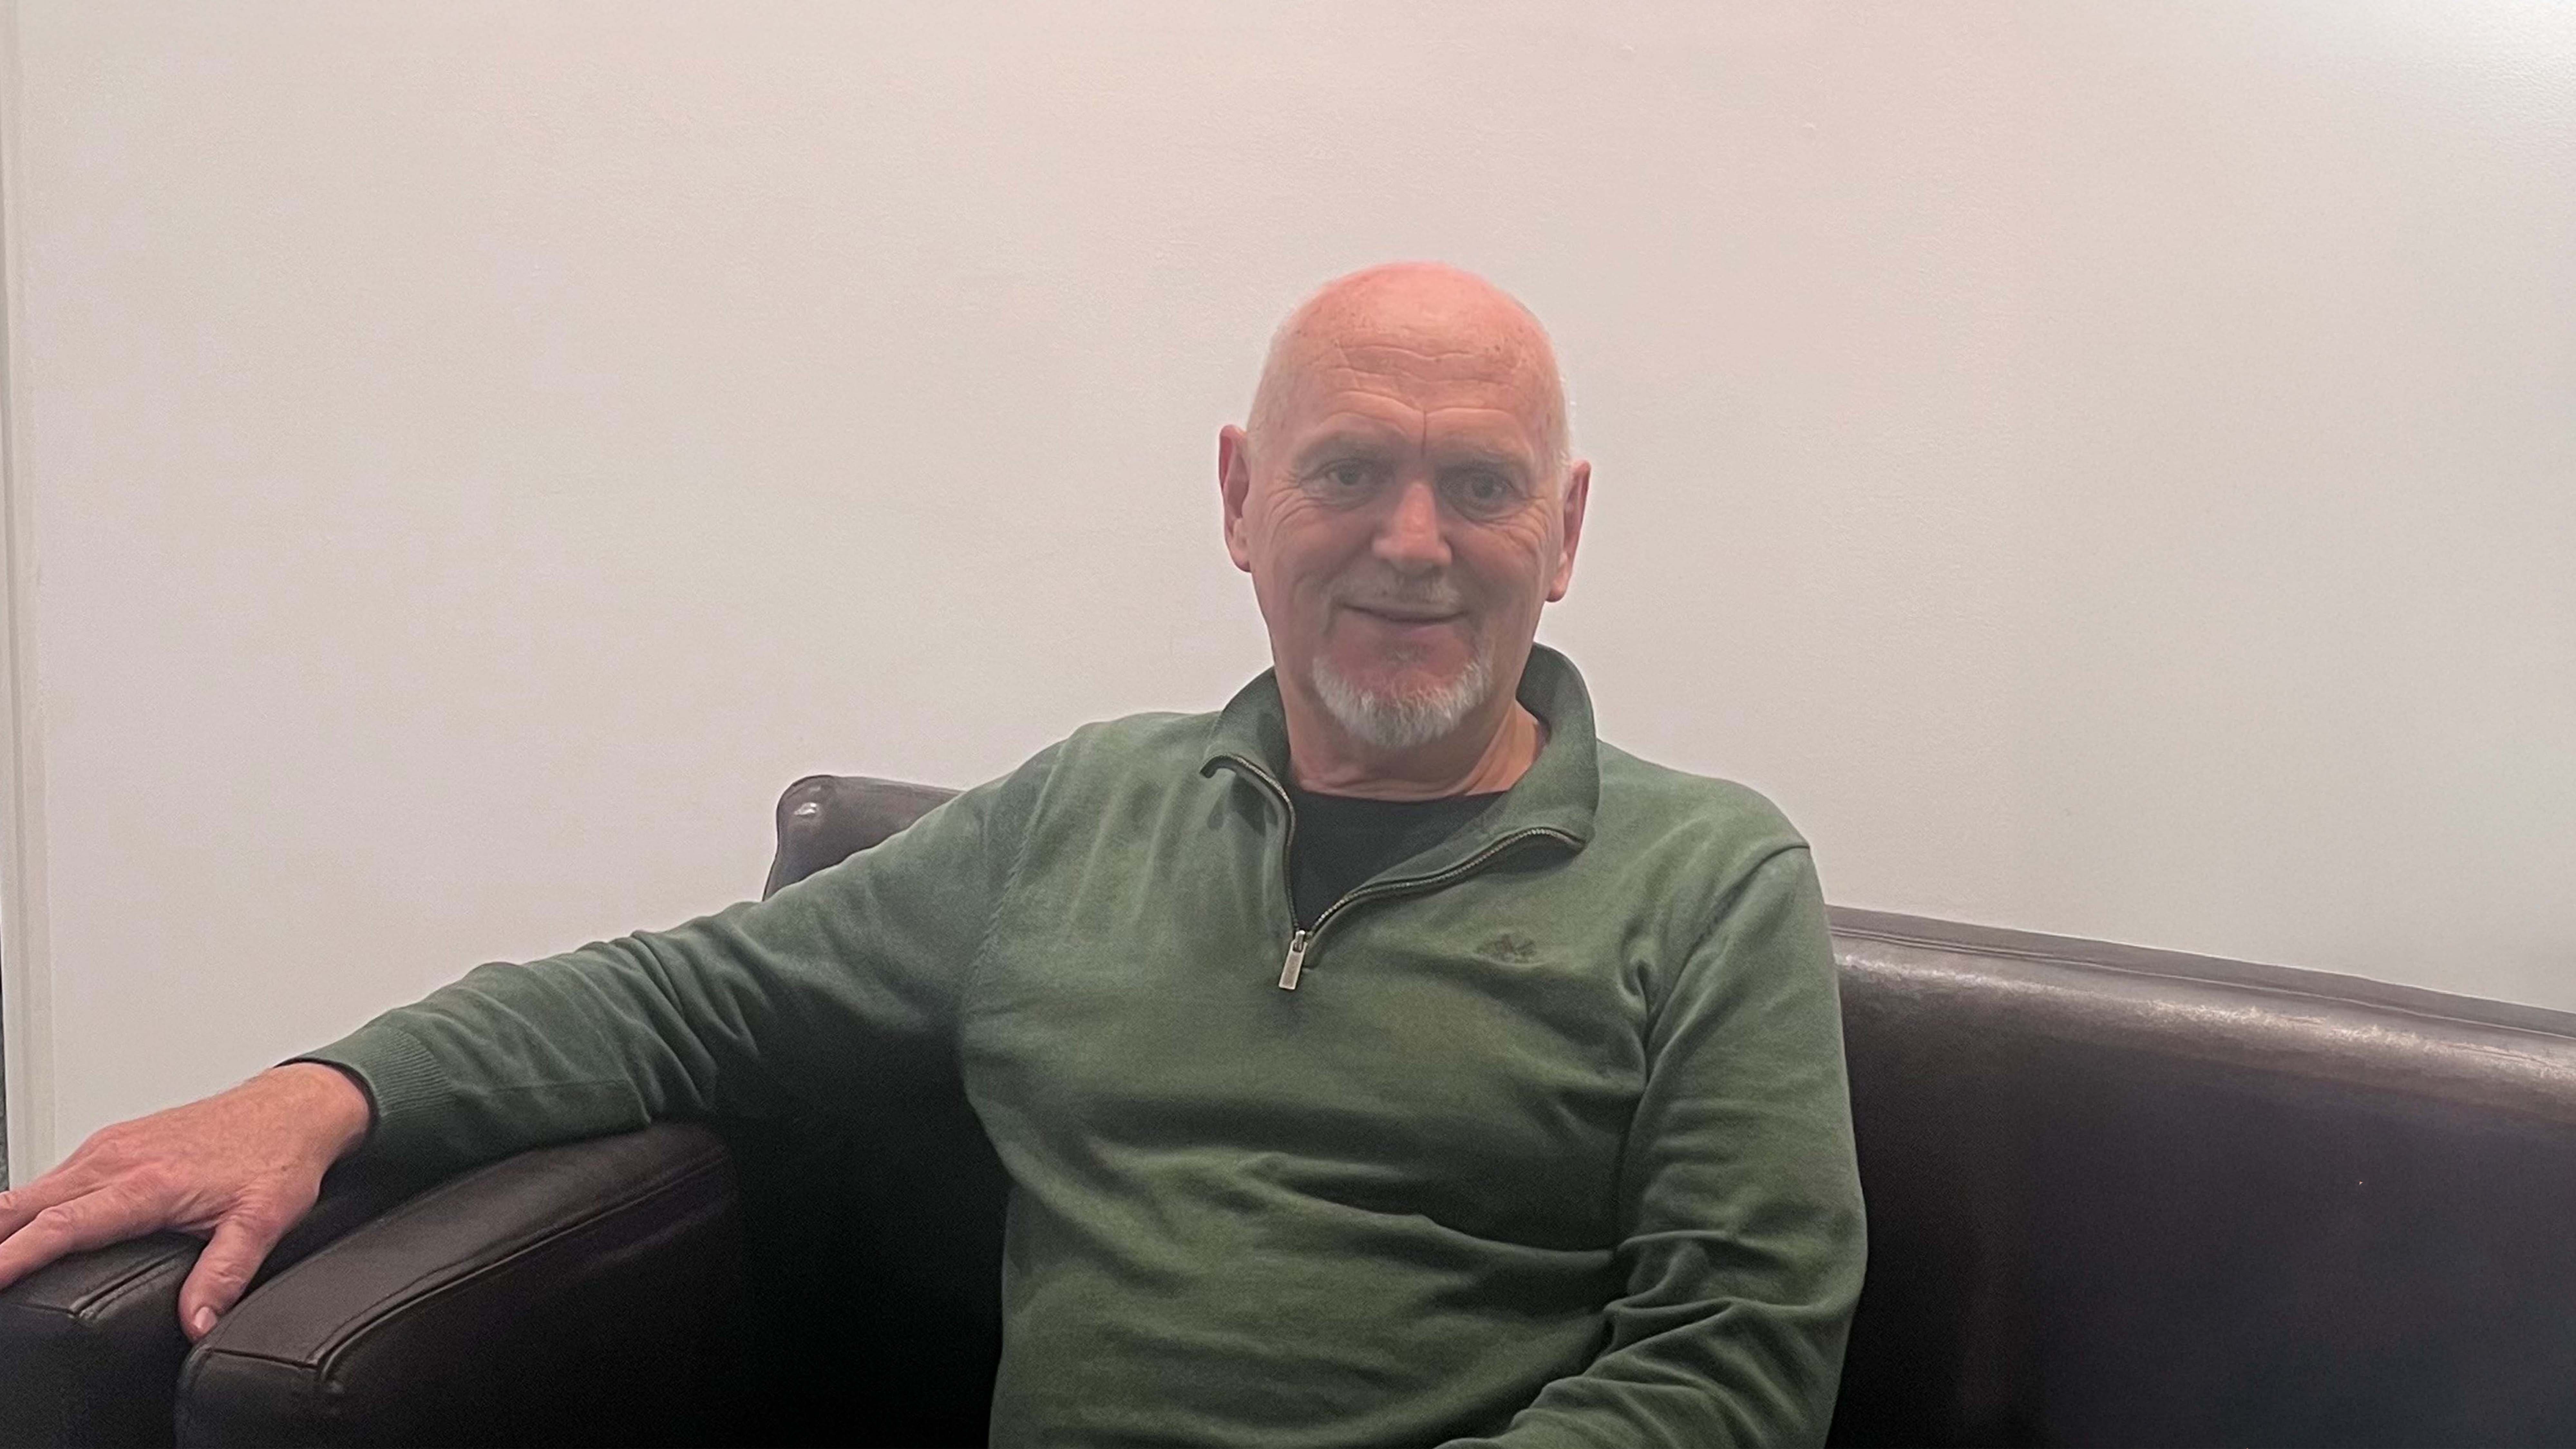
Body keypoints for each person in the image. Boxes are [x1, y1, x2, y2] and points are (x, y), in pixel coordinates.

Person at [0, 262, 1864, 1446]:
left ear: (1568, 529)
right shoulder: (1082, 815)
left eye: (1481, 486)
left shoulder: (1708, 879)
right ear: (1238, 497)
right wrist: (325, 1089)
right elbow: (682, 1001)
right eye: (1347, 469)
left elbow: (1735, 1364)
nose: (1412, 537)